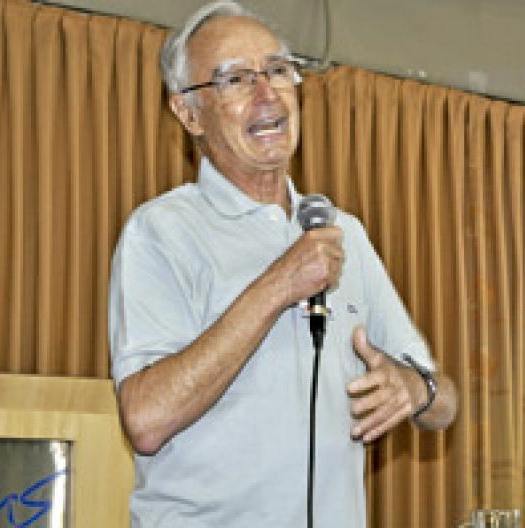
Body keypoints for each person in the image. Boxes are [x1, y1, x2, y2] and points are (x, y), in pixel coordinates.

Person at [108, 2, 458, 527]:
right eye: (235, 79)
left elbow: (444, 401)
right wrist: (278, 284)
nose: (267, 94)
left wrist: (414, 388)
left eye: (277, 70)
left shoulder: (345, 234)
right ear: (188, 113)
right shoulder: (161, 232)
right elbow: (146, 418)